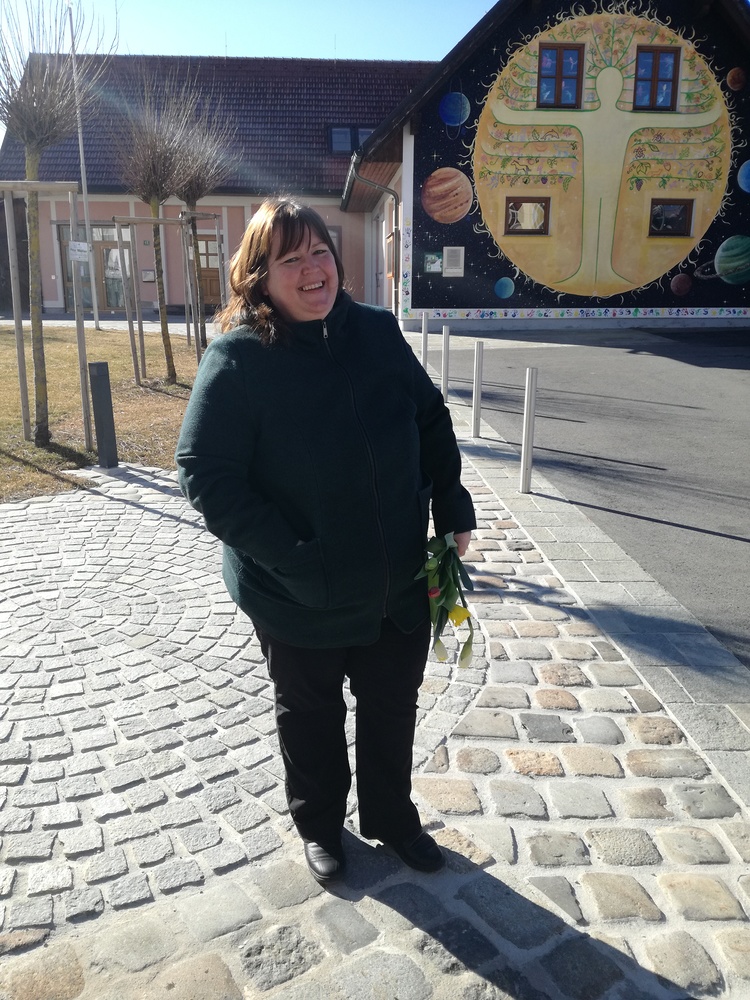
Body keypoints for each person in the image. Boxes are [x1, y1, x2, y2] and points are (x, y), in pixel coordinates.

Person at [175, 198, 475, 886]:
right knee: (309, 713)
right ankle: (319, 825)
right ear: (259, 277)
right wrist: (292, 556)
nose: (313, 269)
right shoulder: (239, 358)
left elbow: (429, 417)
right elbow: (204, 473)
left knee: (392, 704)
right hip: (297, 591)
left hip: (396, 578)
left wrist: (451, 503)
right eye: (291, 258)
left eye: (320, 252)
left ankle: (393, 818)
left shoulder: (376, 331)